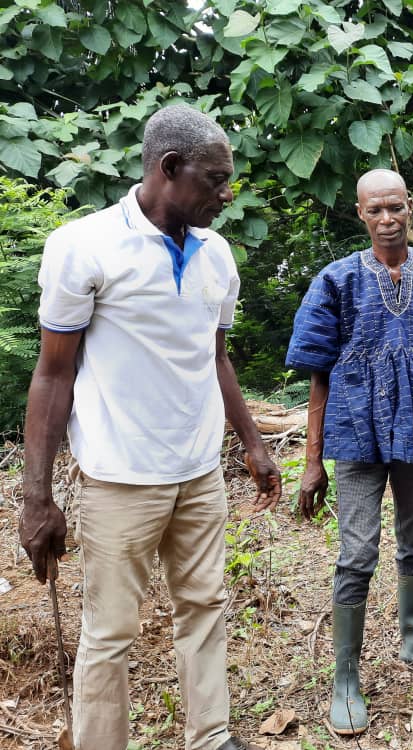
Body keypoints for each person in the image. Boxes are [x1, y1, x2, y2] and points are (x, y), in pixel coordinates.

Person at [18, 104, 282, 750]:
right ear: (169, 169)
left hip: (198, 476)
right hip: (119, 480)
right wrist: (36, 496)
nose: (226, 194)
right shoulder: (85, 247)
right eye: (215, 180)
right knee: (109, 632)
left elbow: (214, 357)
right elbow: (53, 375)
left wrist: (251, 442)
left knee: (206, 609)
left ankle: (211, 737)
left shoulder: (217, 256)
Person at [285, 168, 413, 736]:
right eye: (375, 209)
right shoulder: (338, 279)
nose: (387, 219)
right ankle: (346, 676)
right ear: (360, 213)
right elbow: (318, 374)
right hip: (356, 436)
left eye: (396, 207)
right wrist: (311, 460)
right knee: (357, 552)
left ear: (410, 207)